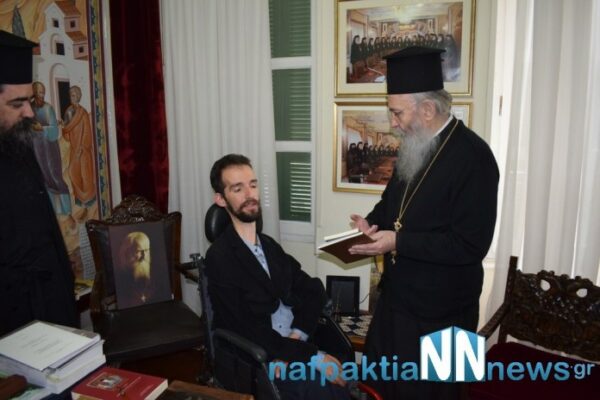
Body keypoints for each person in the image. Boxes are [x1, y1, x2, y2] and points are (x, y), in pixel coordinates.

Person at [348, 47, 499, 399]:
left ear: (428, 109)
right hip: (397, 304)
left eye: (397, 113)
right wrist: (370, 223)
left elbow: (470, 245)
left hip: (448, 314)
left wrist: (397, 242)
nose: (393, 123)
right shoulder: (413, 146)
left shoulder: (475, 158)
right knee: (384, 389)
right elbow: (392, 204)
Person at [205, 154, 349, 400]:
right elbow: (244, 327)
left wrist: (296, 340)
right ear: (220, 199)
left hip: (289, 345)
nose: (249, 194)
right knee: (323, 387)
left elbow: (313, 289)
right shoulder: (220, 258)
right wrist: (310, 356)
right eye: (238, 189)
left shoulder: (270, 246)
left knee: (347, 368)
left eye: (253, 185)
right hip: (259, 357)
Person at [0, 30, 78, 336]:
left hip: (50, 307)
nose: (30, 112)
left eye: (30, 100)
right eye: (18, 103)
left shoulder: (16, 142)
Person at [30, 81, 73, 219]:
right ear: (34, 93)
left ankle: (67, 210)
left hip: (50, 148)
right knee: (44, 177)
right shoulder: (29, 109)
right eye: (39, 92)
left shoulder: (48, 108)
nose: (42, 95)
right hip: (37, 148)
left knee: (55, 175)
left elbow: (54, 130)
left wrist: (42, 128)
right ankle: (52, 210)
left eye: (43, 92)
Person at [62, 85, 96, 219]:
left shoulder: (83, 113)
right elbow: (66, 132)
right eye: (71, 95)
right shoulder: (68, 112)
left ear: (78, 96)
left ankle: (88, 200)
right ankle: (80, 199)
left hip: (83, 150)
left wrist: (84, 146)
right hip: (74, 149)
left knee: (85, 174)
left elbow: (87, 132)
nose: (72, 97)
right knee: (73, 172)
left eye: (74, 95)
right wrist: (66, 131)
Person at [114, 231, 164, 308]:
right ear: (126, 253)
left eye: (146, 250)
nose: (144, 256)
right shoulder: (120, 280)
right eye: (138, 251)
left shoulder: (158, 277)